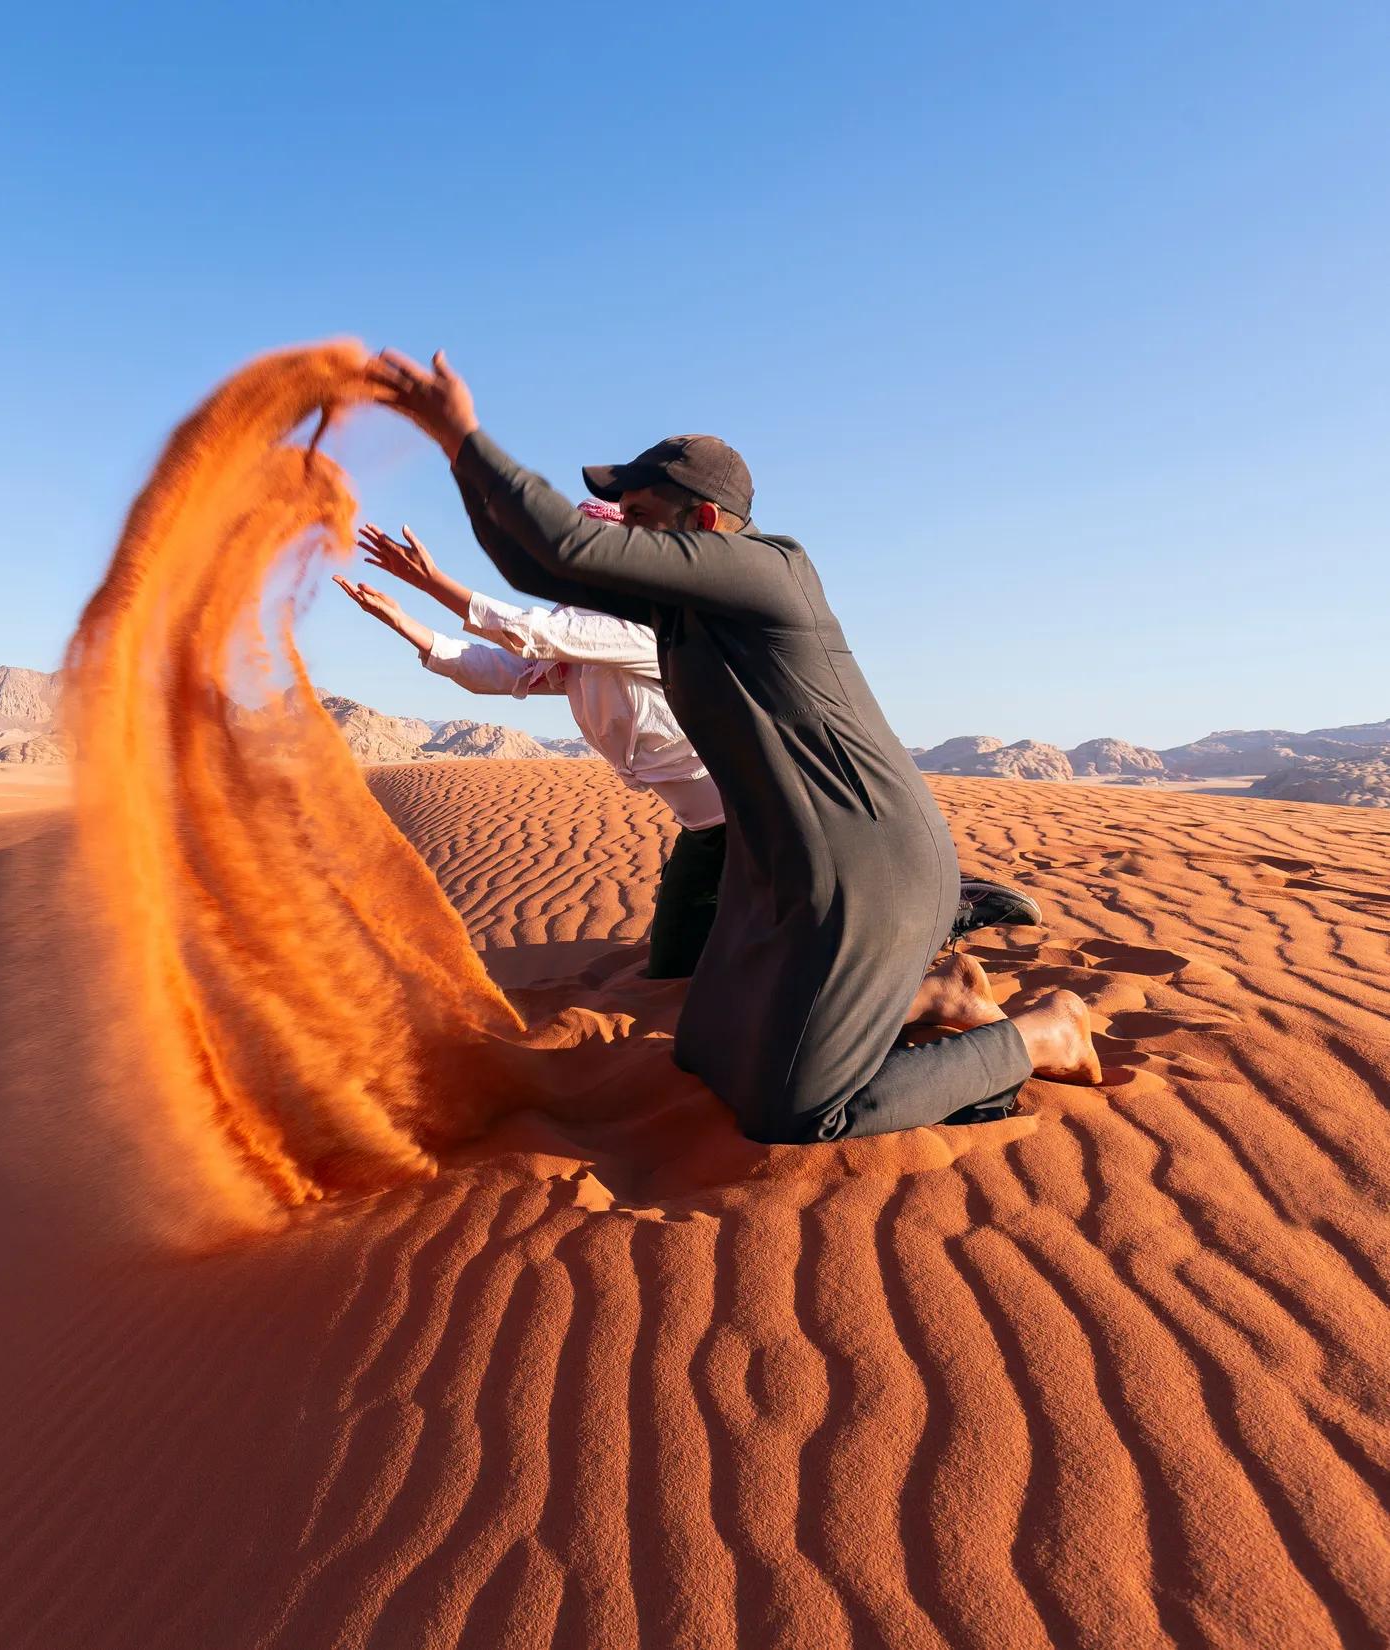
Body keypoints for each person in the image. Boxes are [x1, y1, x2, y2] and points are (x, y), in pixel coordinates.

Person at [363, 347, 1099, 1143]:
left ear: (704, 524)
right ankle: (935, 1000)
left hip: (864, 858)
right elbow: (531, 564)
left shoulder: (770, 572)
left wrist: (462, 431)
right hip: (774, 860)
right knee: (705, 1049)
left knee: (797, 1109)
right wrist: (452, 456)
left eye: (640, 517)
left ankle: (1041, 1035)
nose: (626, 536)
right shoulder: (675, 617)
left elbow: (561, 556)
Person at [332, 499, 727, 979]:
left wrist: (431, 581)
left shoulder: (644, 624)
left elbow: (530, 633)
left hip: (752, 823)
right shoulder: (579, 649)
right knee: (676, 961)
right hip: (706, 831)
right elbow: (500, 670)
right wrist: (404, 623)